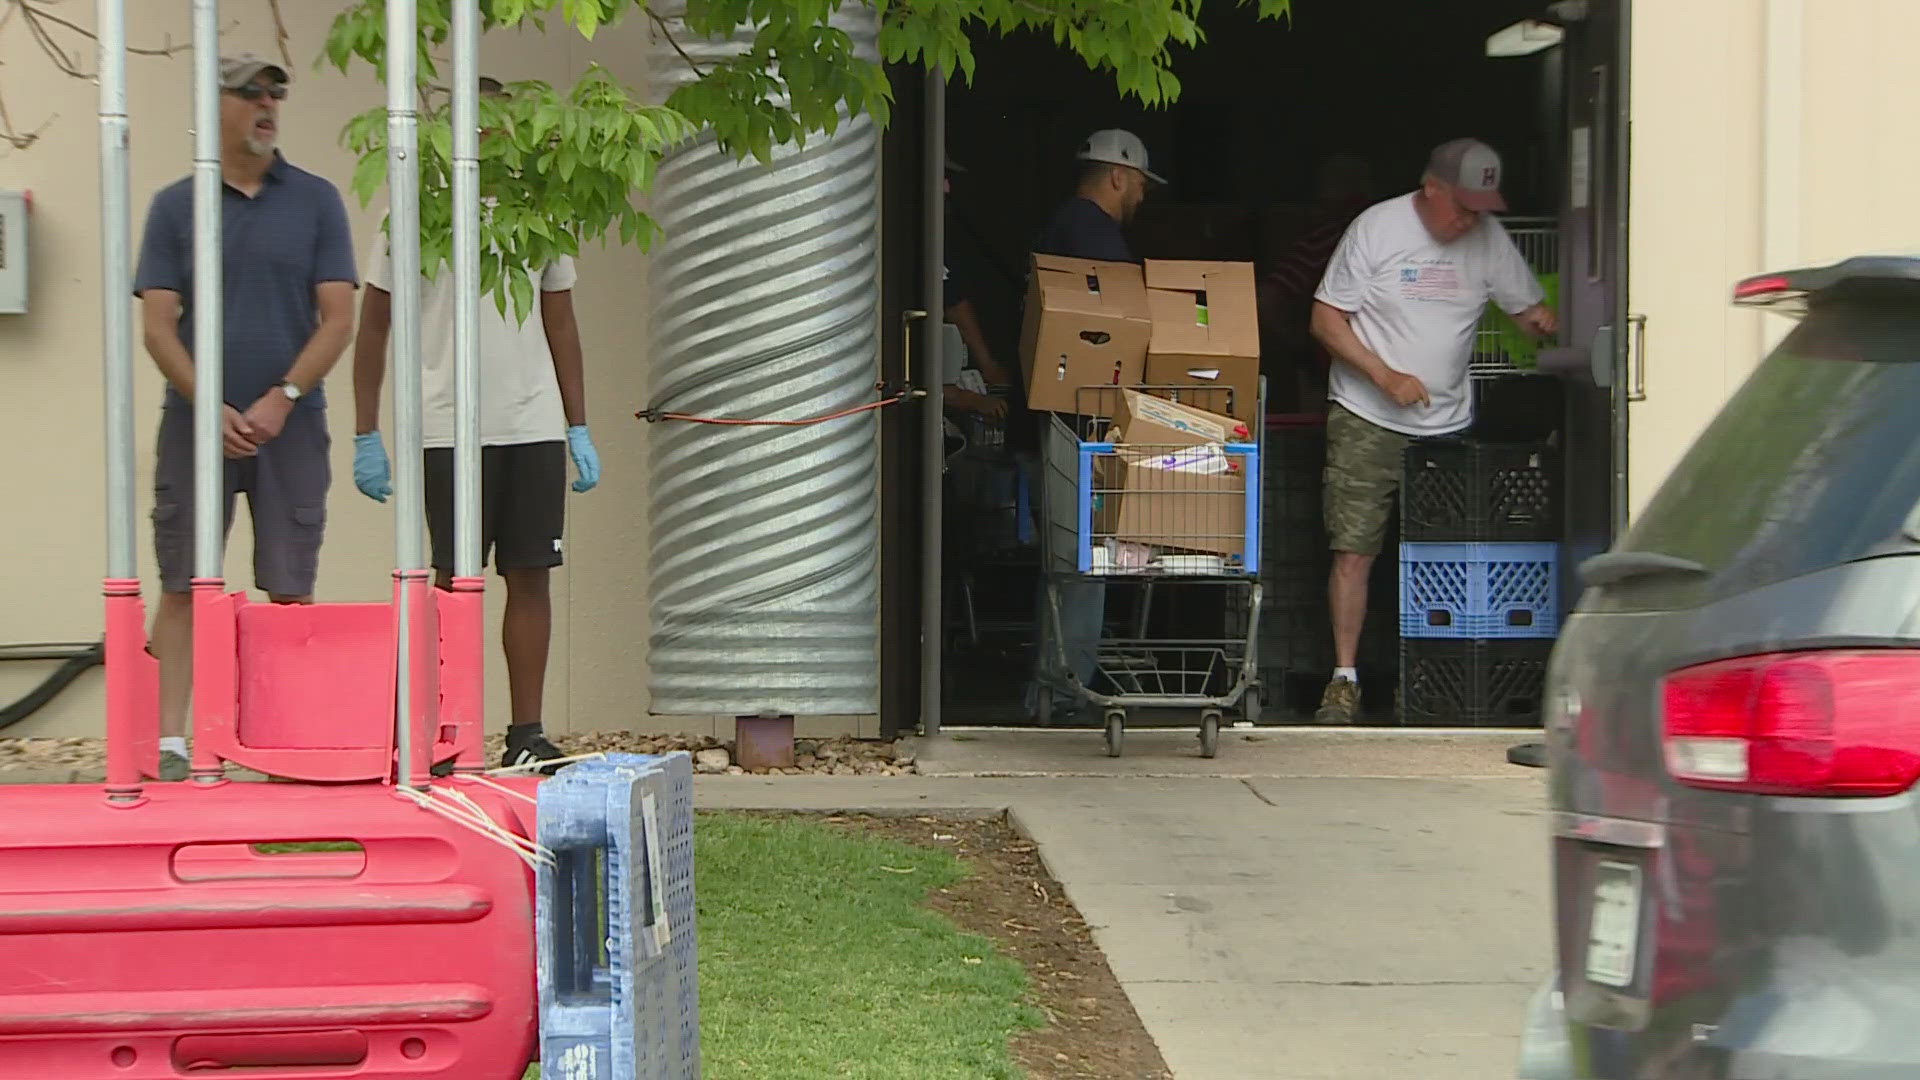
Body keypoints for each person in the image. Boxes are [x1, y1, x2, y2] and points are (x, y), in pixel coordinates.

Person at [348, 77, 600, 774]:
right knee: (452, 584)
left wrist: (578, 426)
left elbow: (562, 322)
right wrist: (366, 431)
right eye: (475, 121)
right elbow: (373, 327)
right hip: (445, 428)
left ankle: (526, 731)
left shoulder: (539, 213)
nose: (490, 134)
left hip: (531, 424)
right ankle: (442, 732)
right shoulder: (415, 214)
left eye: (501, 121)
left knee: (531, 574)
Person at [132, 54, 359, 780]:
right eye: (250, 93)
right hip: (193, 425)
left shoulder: (316, 201)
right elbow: (159, 326)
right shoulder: (176, 206)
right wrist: (211, 406)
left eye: (275, 93)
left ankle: (287, 745)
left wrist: (282, 397)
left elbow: (338, 318)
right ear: (215, 107)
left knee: (290, 585)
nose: (267, 104)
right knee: (182, 578)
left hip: (291, 426)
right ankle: (171, 744)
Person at [1308, 138, 1557, 725]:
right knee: (1354, 549)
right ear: (1431, 189)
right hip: (1368, 417)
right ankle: (1344, 679)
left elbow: (1530, 312)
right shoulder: (1377, 229)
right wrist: (1384, 375)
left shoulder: (1487, 239)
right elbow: (1324, 318)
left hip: (1449, 424)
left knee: (1441, 558)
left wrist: (1552, 325)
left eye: (1481, 208)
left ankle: (1429, 678)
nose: (1471, 219)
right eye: (1463, 206)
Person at [1024, 128, 1162, 721]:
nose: (1142, 197)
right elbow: (1123, 332)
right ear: (1116, 176)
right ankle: (1065, 694)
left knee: (1071, 562)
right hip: (1082, 421)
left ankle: (1055, 689)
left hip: (1065, 415)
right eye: (1138, 185)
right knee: (1083, 563)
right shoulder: (1095, 237)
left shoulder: (1063, 227)